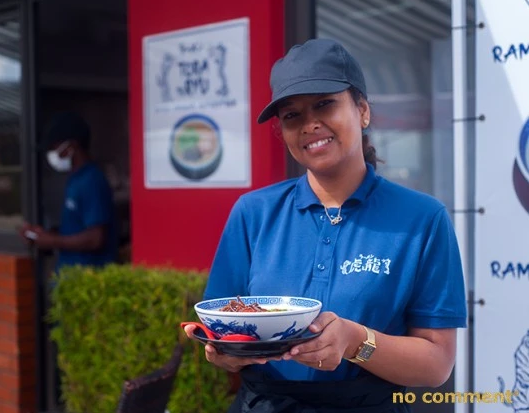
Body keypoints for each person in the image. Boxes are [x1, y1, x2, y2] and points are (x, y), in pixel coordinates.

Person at [184, 38, 467, 412]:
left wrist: (355, 341)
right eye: (292, 115)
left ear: (363, 110)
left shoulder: (422, 219)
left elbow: (437, 365)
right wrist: (225, 353)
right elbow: (224, 330)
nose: (309, 124)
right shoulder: (253, 213)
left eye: (324, 104)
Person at [20, 111, 119, 271]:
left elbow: (95, 239)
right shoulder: (75, 179)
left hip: (88, 279)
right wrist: (44, 235)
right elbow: (76, 228)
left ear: (71, 147)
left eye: (54, 148)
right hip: (70, 275)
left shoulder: (91, 181)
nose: (51, 155)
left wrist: (51, 241)